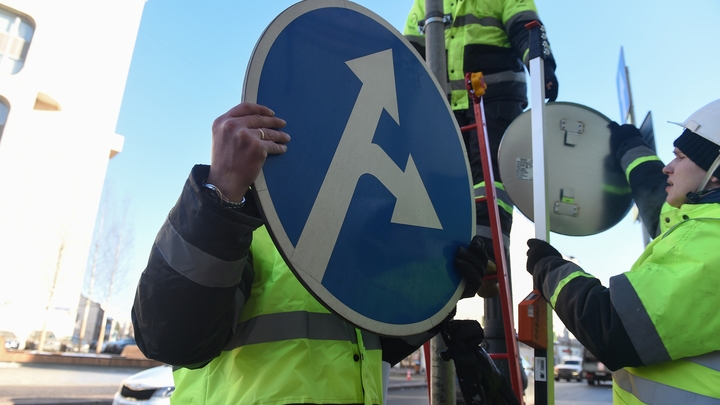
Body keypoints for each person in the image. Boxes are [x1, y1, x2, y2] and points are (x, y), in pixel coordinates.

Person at [131, 102, 491, 404]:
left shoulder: (345, 246)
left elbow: (379, 344)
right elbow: (169, 338)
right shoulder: (238, 225)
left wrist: (442, 289)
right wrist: (221, 192)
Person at [525, 99, 720, 404]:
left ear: (715, 173)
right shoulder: (700, 226)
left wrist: (549, 267)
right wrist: (631, 148)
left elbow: (612, 326)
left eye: (680, 157)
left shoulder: (712, 241)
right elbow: (657, 198)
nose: (667, 167)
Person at [403, 0, 559, 264]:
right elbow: (408, 52)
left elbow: (525, 27)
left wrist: (542, 65)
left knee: (488, 176)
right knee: (449, 179)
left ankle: (488, 255)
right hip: (447, 104)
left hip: (495, 96)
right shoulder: (425, 3)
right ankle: (450, 254)